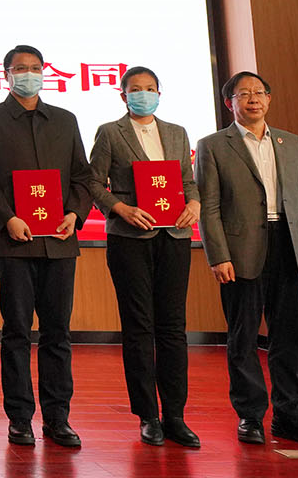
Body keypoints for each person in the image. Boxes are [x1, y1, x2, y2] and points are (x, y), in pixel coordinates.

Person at [196, 71, 298, 447]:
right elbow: (208, 207)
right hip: (240, 251)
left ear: (269, 99)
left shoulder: (292, 143)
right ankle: (251, 416)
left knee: (290, 337)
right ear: (230, 103)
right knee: (243, 337)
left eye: (259, 92)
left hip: (288, 244)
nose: (253, 99)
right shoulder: (213, 145)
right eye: (243, 94)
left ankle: (291, 417)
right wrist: (218, 255)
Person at [0, 44, 93, 448]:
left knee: (58, 333)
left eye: (35, 68)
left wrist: (75, 214)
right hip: (15, 243)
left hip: (60, 241)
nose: (28, 74)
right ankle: (20, 417)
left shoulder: (65, 120)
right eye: (20, 68)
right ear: (6, 74)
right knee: (17, 331)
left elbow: (82, 176)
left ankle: (58, 418)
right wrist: (7, 218)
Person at [88, 66, 201, 448]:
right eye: (135, 89)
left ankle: (175, 415)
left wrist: (195, 204)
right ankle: (148, 415)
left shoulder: (177, 132)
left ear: (159, 93)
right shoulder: (110, 132)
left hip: (175, 236)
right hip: (130, 238)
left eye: (150, 88)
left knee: (173, 327)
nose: (143, 94)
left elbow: (187, 181)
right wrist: (120, 209)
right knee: (138, 327)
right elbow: (93, 183)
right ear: (123, 96)